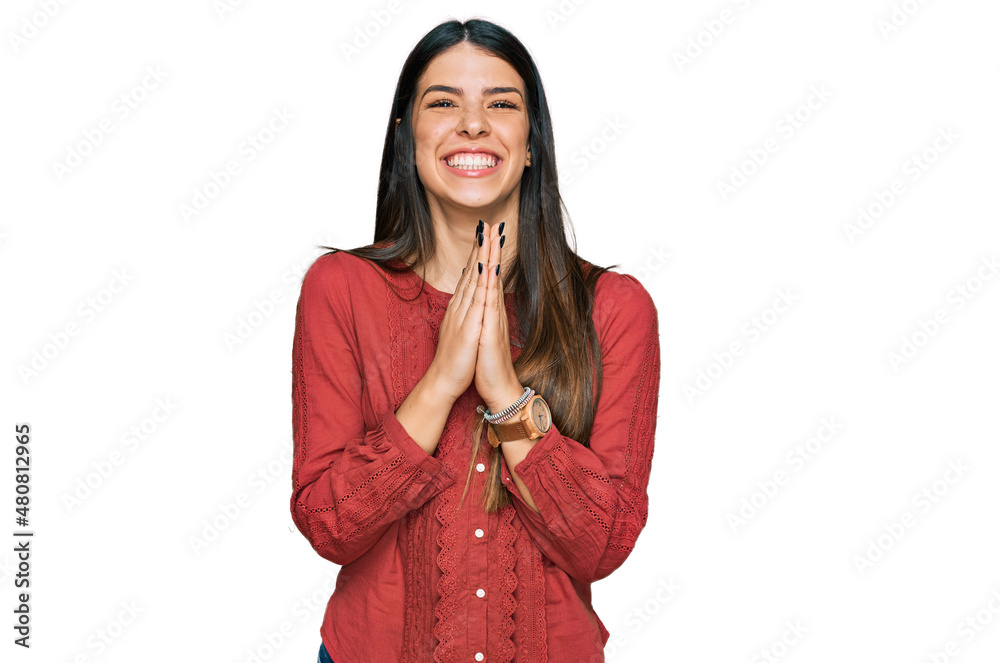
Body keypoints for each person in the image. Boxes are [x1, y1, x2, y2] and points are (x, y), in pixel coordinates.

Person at [290, 17, 661, 663]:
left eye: (501, 103)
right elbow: (329, 524)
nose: (472, 123)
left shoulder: (614, 308)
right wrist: (439, 382)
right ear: (406, 137)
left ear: (530, 143)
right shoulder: (340, 288)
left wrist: (504, 394)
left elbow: (602, 546)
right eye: (443, 103)